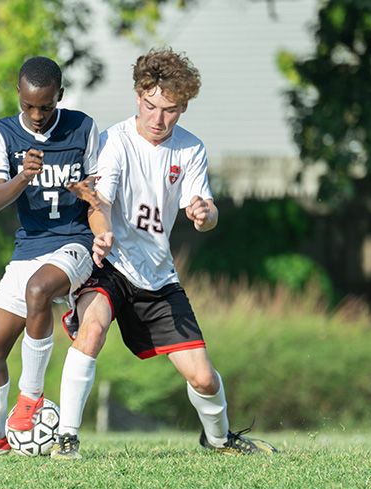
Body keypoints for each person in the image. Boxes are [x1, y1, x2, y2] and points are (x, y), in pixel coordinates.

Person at [51, 48, 277, 459]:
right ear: (138, 96)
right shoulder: (115, 142)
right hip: (111, 266)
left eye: (170, 110)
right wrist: (101, 236)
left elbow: (205, 215)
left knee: (205, 379)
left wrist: (204, 213)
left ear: (183, 107)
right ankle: (67, 438)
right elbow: (98, 203)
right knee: (93, 329)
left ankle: (220, 439)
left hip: (158, 278)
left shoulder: (191, 150)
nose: (158, 119)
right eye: (151, 106)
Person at [0, 56, 114, 459]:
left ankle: (31, 399)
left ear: (60, 95)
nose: (37, 115)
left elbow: (97, 196)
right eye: (28, 106)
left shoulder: (82, 128)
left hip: (74, 243)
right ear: (18, 96)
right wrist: (23, 175)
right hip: (28, 247)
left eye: (46, 106)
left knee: (39, 289)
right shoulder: (1, 133)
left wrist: (96, 215)